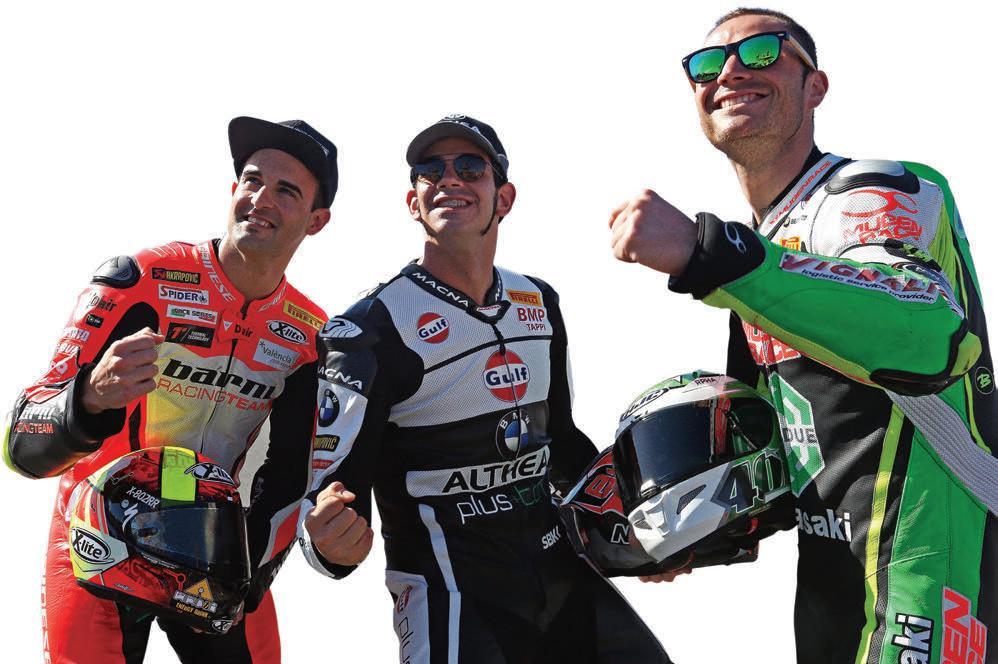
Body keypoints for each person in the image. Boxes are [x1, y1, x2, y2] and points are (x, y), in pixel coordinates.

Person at [608, 8, 996, 664]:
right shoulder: (761, 252)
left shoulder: (877, 188)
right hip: (831, 584)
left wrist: (710, 254)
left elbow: (932, 335)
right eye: (708, 64)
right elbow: (788, 451)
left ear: (815, 86)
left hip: (928, 571)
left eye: (762, 52)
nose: (730, 72)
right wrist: (692, 529)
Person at [299, 115, 672, 663]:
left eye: (471, 168)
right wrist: (328, 544)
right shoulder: (367, 330)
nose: (450, 179)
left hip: (560, 573)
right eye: (431, 170)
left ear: (505, 198)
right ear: (412, 202)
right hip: (453, 594)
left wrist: (638, 529)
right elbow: (332, 498)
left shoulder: (538, 301)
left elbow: (561, 444)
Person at [4, 116, 335, 663]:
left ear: (316, 221)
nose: (260, 199)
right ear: (233, 189)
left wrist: (249, 573)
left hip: (213, 543)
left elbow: (292, 474)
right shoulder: (141, 280)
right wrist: (88, 399)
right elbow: (22, 444)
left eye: (286, 191)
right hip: (96, 537)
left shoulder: (309, 337)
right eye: (252, 181)